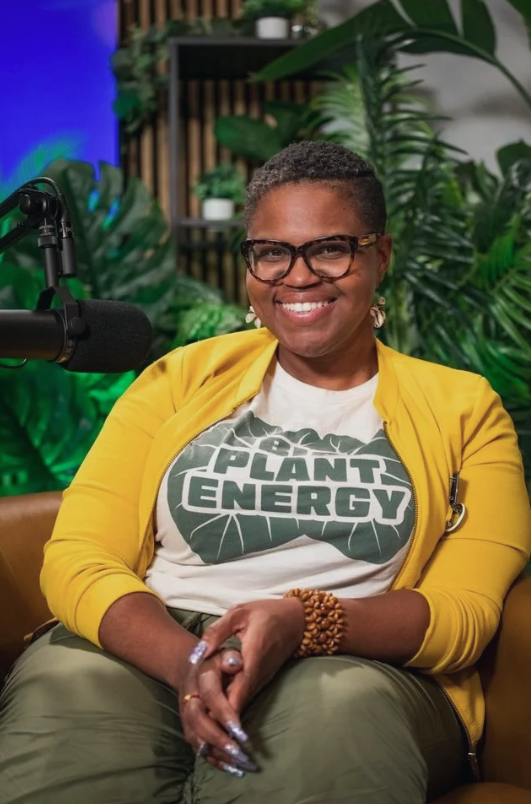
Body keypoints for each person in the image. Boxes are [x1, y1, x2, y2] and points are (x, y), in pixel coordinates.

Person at [1, 141, 530, 804]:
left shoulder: (464, 408)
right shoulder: (177, 378)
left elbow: (462, 614)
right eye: (271, 252)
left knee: (333, 718)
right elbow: (79, 555)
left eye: (329, 248)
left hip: (349, 661)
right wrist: (189, 664)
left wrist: (301, 622)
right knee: (68, 698)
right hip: (151, 642)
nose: (297, 275)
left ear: (379, 255)